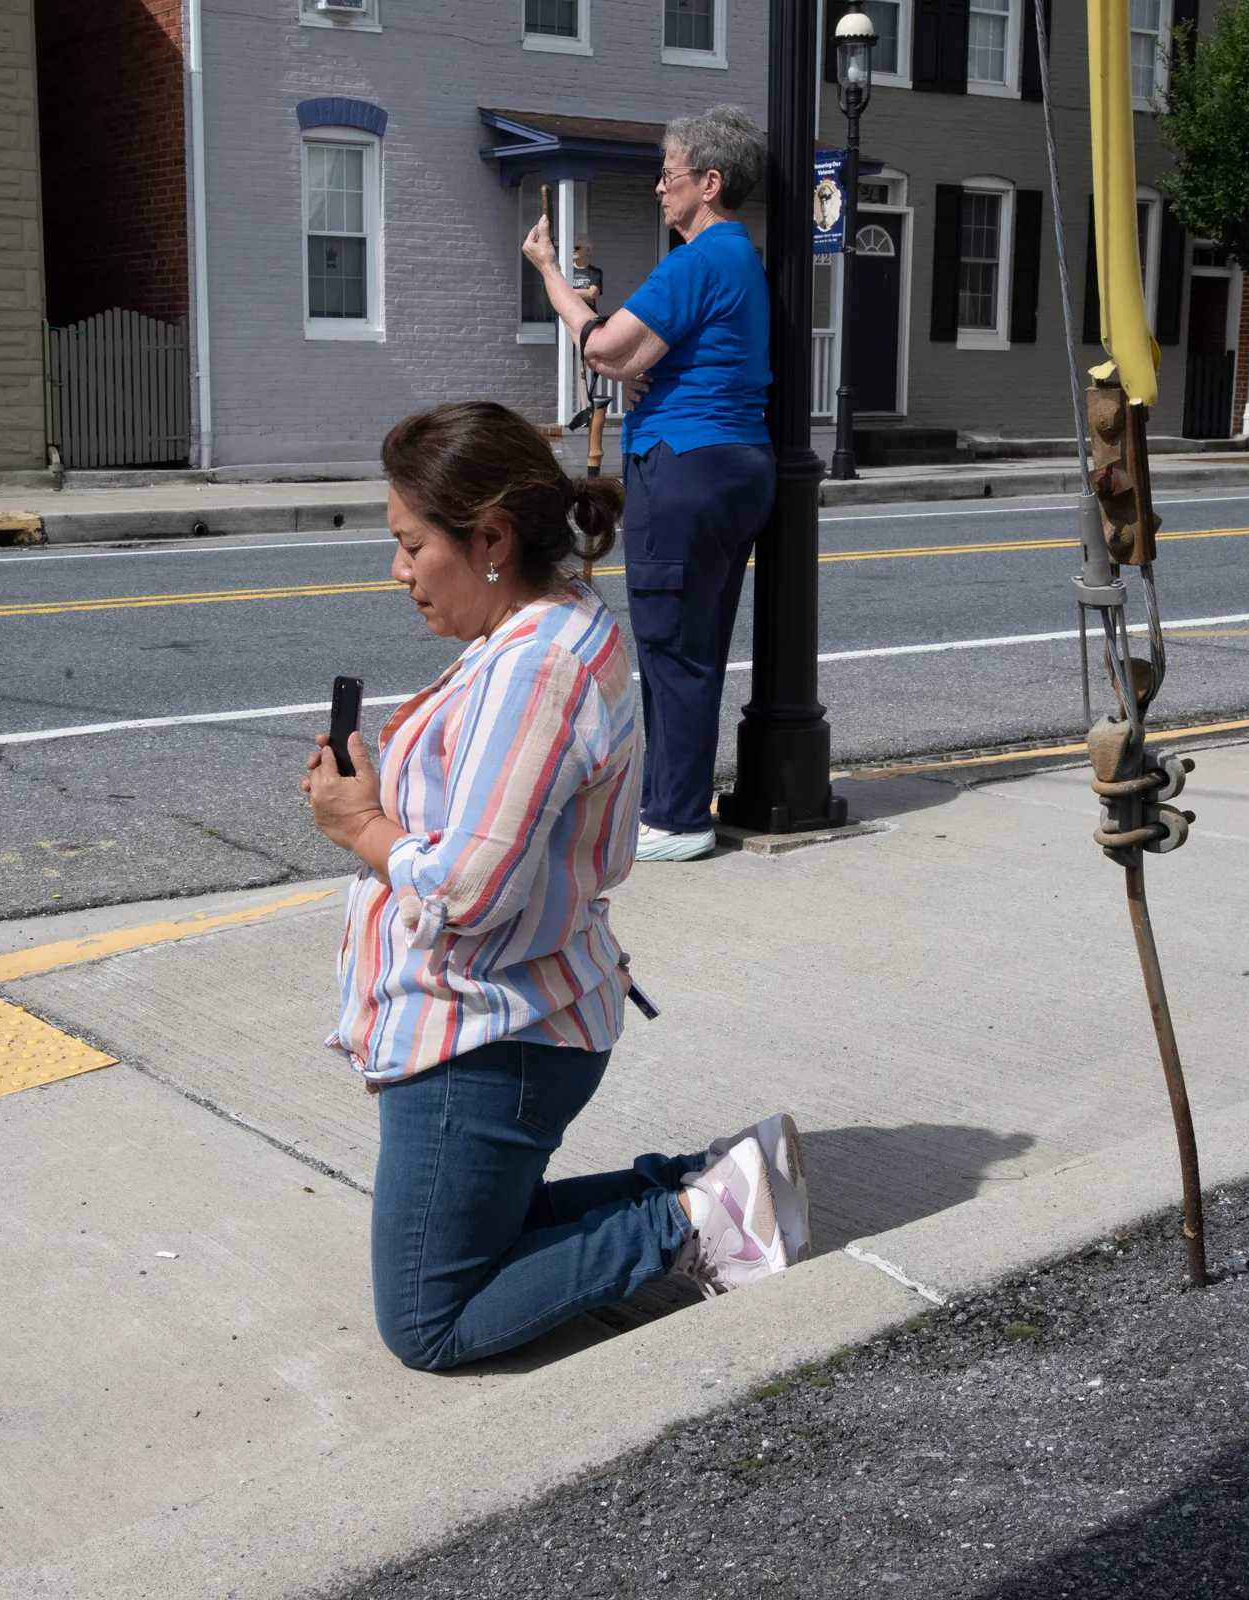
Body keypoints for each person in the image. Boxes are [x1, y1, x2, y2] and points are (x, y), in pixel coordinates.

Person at [302, 401, 811, 1372]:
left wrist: (359, 826)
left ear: (490, 538)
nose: (397, 570)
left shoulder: (534, 669)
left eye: (411, 545)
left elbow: (470, 889)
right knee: (478, 1235)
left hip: (486, 1034)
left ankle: (696, 1222)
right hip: (515, 1012)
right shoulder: (553, 629)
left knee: (428, 1317)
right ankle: (711, 1182)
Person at [525, 105, 774, 864]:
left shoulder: (700, 259)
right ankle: (676, 803)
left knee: (672, 649)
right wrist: (646, 376)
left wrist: (548, 276)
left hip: (686, 465)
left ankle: (675, 815)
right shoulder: (739, 260)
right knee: (692, 643)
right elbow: (665, 358)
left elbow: (605, 349)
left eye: (668, 176)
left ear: (710, 181)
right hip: (731, 462)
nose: (659, 190)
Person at [568, 238, 603, 308]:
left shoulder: (595, 272)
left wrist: (568, 292)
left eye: (577, 247)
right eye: (571, 247)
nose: (573, 250)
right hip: (570, 311)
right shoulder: (566, 270)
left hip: (588, 312)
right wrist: (584, 294)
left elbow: (592, 294)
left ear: (587, 250)